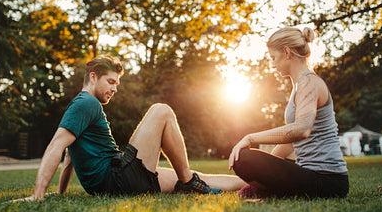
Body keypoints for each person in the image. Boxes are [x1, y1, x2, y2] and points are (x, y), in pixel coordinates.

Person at [14, 55, 245, 201]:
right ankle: (188, 182)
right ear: (93, 77)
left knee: (199, 177)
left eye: (117, 83)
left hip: (118, 179)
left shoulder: (83, 107)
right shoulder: (87, 103)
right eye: (111, 82)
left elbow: (69, 156)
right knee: (161, 110)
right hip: (118, 178)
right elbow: (57, 145)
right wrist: (38, 195)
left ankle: (258, 183)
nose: (115, 89)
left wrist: (61, 193)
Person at [228, 27, 349, 199]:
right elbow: (291, 142)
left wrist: (250, 138)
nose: (272, 64)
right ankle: (270, 189)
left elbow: (301, 130)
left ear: (286, 52)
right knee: (248, 160)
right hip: (310, 173)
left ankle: (269, 191)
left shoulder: (309, 83)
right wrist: (266, 168)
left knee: (244, 158)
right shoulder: (299, 86)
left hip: (329, 181)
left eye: (273, 58)